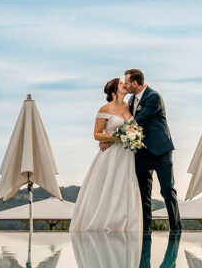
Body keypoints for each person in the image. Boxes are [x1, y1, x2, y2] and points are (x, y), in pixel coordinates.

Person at [69, 77, 142, 231]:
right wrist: (116, 137)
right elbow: (97, 134)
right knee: (109, 186)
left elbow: (135, 129)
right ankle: (104, 224)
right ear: (114, 90)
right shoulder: (104, 109)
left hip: (127, 155)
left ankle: (126, 225)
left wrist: (131, 136)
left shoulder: (130, 107)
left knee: (124, 187)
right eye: (122, 84)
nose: (125, 85)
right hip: (110, 155)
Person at [123, 68, 182, 233]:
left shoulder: (153, 97)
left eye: (127, 83)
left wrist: (113, 136)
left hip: (160, 151)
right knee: (143, 194)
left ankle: (176, 229)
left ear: (135, 83)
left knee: (168, 190)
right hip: (141, 153)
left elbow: (139, 121)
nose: (125, 86)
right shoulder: (130, 101)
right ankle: (145, 230)